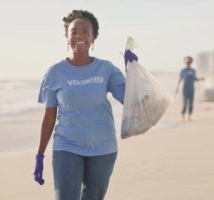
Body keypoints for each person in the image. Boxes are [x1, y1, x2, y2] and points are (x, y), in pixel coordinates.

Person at [33, 10, 138, 200]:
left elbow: (130, 100)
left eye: (85, 31)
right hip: (67, 146)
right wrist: (39, 155)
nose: (79, 36)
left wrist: (132, 71)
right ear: (67, 37)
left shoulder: (106, 69)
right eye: (74, 31)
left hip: (103, 148)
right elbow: (49, 117)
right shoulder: (55, 73)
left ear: (93, 37)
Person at [175, 56, 199, 121]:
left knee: (191, 103)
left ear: (191, 62)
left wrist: (200, 79)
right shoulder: (183, 70)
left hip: (192, 88)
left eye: (189, 61)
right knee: (185, 103)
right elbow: (180, 79)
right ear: (185, 62)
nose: (188, 62)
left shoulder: (193, 70)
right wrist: (177, 88)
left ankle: (189, 116)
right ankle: (183, 115)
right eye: (187, 61)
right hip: (185, 88)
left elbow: (195, 79)